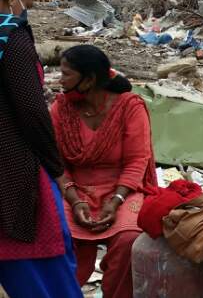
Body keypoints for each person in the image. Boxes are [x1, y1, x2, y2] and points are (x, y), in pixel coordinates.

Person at [0, 0, 84, 298]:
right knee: (45, 264)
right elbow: (33, 112)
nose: (26, 13)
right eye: (28, 5)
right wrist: (56, 167)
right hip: (13, 168)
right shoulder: (11, 38)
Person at [51, 45, 157, 298]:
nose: (59, 79)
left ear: (88, 80)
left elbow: (137, 160)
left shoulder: (129, 106)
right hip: (74, 190)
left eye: (66, 74)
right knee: (61, 239)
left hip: (123, 189)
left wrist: (116, 200)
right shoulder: (60, 109)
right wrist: (75, 200)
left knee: (130, 239)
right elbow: (56, 163)